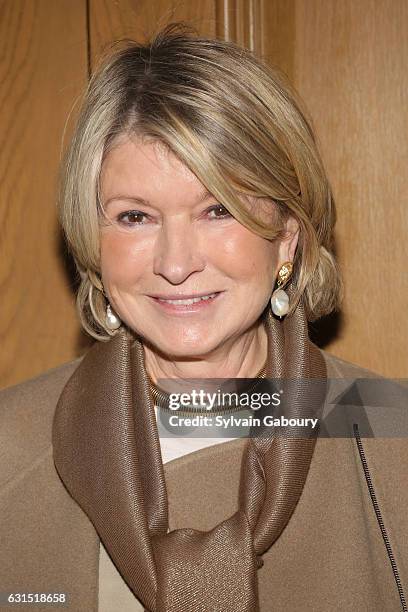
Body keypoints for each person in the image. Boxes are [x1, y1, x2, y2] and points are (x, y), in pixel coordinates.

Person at [1, 22, 407, 612]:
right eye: (135, 217)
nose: (176, 263)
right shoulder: (11, 448)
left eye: (217, 209)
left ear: (286, 239)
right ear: (92, 241)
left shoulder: (391, 434)